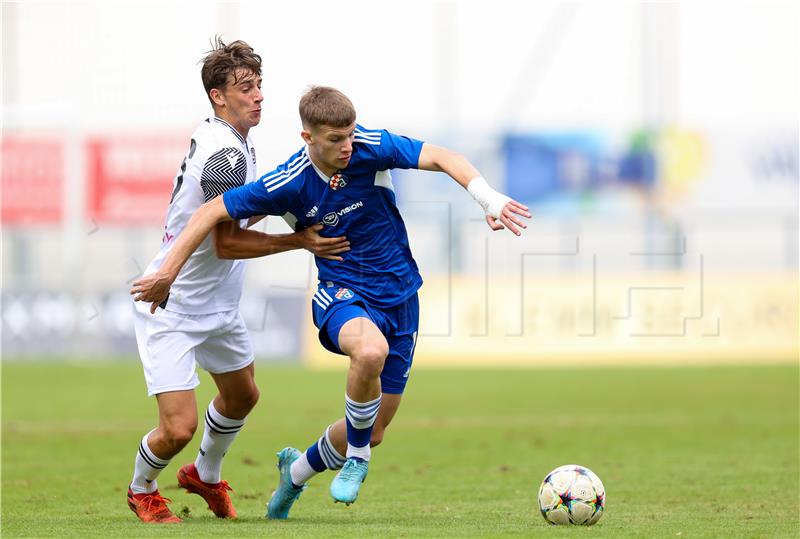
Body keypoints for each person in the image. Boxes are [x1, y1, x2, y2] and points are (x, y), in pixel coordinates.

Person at [130, 86, 530, 517]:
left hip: (401, 295)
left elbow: (443, 157)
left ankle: (296, 472)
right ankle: (357, 460)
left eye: (350, 136)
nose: (347, 147)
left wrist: (490, 199)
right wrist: (167, 272)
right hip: (342, 293)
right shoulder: (288, 182)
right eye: (336, 140)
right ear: (308, 138)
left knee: (372, 429)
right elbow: (210, 214)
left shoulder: (369, 147)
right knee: (369, 352)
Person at [126, 44, 349, 524]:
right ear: (218, 96)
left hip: (218, 305)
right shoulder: (226, 153)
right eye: (245, 88)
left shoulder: (229, 137)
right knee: (178, 428)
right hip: (174, 304)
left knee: (244, 394)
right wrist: (298, 241)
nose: (259, 96)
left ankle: (204, 476)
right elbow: (226, 243)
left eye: (259, 86)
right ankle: (141, 488)